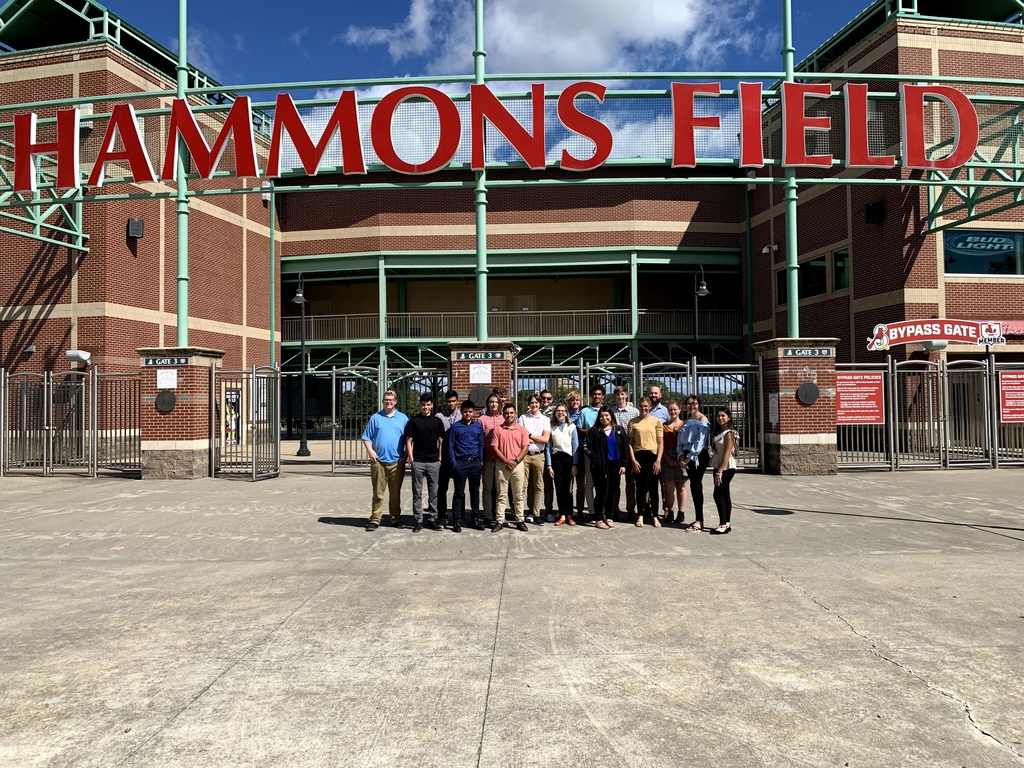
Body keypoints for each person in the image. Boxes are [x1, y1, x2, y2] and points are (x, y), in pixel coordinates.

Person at [361, 390, 409, 531]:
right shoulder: (375, 418)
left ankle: (395, 518)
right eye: (386, 399)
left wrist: (406, 454)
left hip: (397, 462)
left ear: (395, 402)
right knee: (378, 493)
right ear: (383, 401)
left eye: (391, 400)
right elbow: (366, 437)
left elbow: (409, 439)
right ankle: (375, 519)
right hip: (379, 461)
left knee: (395, 493)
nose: (388, 402)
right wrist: (370, 451)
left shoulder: (403, 418)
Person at [404, 392, 445, 532]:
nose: (425, 407)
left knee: (434, 492)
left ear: (432, 406)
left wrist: (440, 458)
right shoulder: (413, 421)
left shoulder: (437, 421)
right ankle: (418, 520)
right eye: (423, 405)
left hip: (434, 461)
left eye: (428, 405)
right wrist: (411, 459)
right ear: (419, 405)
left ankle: (433, 519)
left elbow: (441, 440)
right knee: (417, 492)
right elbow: (408, 440)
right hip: (418, 461)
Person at [489, 404, 531, 532]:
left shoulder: (522, 429)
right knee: (501, 495)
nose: (509, 415)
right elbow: (494, 447)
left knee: (518, 495)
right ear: (503, 414)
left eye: (511, 413)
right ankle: (500, 520)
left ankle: (520, 520)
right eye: (507, 413)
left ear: (515, 413)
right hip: (502, 465)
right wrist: (506, 460)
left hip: (518, 465)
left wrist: (516, 460)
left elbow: (525, 447)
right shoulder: (498, 430)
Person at [585, 406, 628, 529]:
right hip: (600, 466)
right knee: (601, 492)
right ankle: (598, 518)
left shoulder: (619, 430)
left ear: (611, 416)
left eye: (607, 415)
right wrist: (596, 459)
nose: (604, 418)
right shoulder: (594, 431)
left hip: (615, 465)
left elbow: (625, 447)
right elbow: (586, 448)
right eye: (602, 416)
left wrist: (624, 464)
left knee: (611, 492)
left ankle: (609, 517)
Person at [448, 400, 486, 532]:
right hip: (461, 463)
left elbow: (481, 444)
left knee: (475, 493)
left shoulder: (478, 426)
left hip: (475, 463)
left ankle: (475, 519)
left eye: (470, 411)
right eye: (465, 412)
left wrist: (481, 461)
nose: (468, 414)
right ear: (461, 412)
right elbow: (450, 446)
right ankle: (457, 521)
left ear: (474, 412)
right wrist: (454, 463)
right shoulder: (455, 427)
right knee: (459, 493)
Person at [627, 398, 664, 527]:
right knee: (640, 488)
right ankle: (640, 515)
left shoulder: (656, 422)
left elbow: (660, 443)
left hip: (652, 456)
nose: (644, 408)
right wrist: (633, 460)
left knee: (654, 488)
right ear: (639, 406)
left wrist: (658, 460)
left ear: (650, 406)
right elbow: (630, 444)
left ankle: (655, 516)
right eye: (641, 406)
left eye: (646, 406)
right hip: (639, 457)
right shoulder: (633, 422)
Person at [677, 394, 711, 532]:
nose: (692, 406)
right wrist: (681, 456)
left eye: (695, 403)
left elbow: (700, 442)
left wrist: (689, 458)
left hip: (697, 456)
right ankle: (698, 518)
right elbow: (680, 438)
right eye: (689, 404)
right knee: (693, 486)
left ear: (699, 405)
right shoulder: (687, 420)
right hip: (686, 455)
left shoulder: (702, 420)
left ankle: (700, 520)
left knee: (697, 486)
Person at [517, 395, 550, 525]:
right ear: (528, 404)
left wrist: (530, 435)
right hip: (525, 454)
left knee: (538, 485)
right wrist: (535, 437)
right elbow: (521, 437)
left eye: (536, 402)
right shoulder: (523, 418)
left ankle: (536, 513)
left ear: (540, 404)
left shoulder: (545, 419)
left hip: (539, 455)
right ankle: (522, 513)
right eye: (532, 402)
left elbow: (545, 439)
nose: (534, 405)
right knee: (523, 485)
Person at [545, 402, 579, 526]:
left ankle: (569, 515)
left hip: (569, 460)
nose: (560, 413)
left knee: (568, 490)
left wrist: (575, 464)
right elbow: (548, 447)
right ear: (555, 413)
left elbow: (575, 446)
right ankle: (562, 515)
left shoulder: (572, 426)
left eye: (563, 411)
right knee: (559, 489)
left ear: (566, 413)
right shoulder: (551, 427)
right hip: (556, 460)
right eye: (558, 411)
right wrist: (549, 465)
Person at [610, 385, 639, 522]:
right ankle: (614, 509)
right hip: (615, 450)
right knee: (615, 482)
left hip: (629, 449)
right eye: (617, 395)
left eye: (622, 394)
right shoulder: (611, 411)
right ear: (615, 396)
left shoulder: (634, 411)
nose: (620, 397)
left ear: (626, 395)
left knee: (630, 482)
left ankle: (631, 509)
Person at [709, 407, 738, 535]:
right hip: (718, 463)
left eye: (723, 416)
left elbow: (727, 453)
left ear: (729, 418)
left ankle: (722, 524)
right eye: (718, 416)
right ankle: (726, 523)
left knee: (718, 494)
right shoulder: (719, 431)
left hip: (726, 467)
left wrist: (720, 471)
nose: (720, 418)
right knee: (725, 494)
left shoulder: (729, 433)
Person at [576, 385, 604, 519]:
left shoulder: (606, 411)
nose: (597, 396)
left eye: (599, 394)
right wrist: (593, 432)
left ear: (602, 396)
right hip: (589, 451)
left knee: (602, 481)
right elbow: (579, 429)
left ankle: (602, 509)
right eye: (595, 394)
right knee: (589, 482)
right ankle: (592, 511)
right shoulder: (585, 412)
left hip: (604, 452)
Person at [436, 389, 462, 526]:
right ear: (445, 402)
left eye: (453, 401)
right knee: (442, 488)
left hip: (459, 456)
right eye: (448, 401)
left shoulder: (462, 415)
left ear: (457, 401)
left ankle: (459, 515)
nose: (451, 404)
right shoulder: (439, 416)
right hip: (444, 457)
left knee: (459, 487)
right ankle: (442, 515)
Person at [479, 393, 505, 525]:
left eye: (496, 402)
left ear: (499, 404)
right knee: (488, 488)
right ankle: (488, 514)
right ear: (488, 404)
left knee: (500, 488)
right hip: (488, 458)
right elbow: (479, 440)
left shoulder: (504, 418)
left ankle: (499, 514)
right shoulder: (482, 420)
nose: (494, 404)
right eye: (491, 402)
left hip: (501, 458)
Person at [661, 401, 688, 524]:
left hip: (681, 457)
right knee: (668, 488)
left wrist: (681, 459)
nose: (673, 412)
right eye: (670, 410)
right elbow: (660, 444)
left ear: (679, 410)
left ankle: (681, 512)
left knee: (681, 487)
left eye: (675, 409)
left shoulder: (685, 425)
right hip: (667, 458)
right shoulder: (663, 426)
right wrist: (667, 458)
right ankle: (670, 511)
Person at [566, 391, 587, 516]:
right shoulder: (565, 413)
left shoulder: (583, 413)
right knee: (568, 484)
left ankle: (579, 509)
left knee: (581, 483)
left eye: (577, 400)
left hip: (581, 450)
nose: (575, 402)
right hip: (568, 451)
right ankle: (567, 510)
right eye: (572, 400)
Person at [539, 389, 556, 520]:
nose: (545, 401)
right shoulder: (533, 412)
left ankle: (549, 509)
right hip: (537, 450)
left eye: (548, 398)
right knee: (536, 483)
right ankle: (535, 509)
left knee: (549, 483)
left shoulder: (555, 413)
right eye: (543, 398)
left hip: (552, 450)